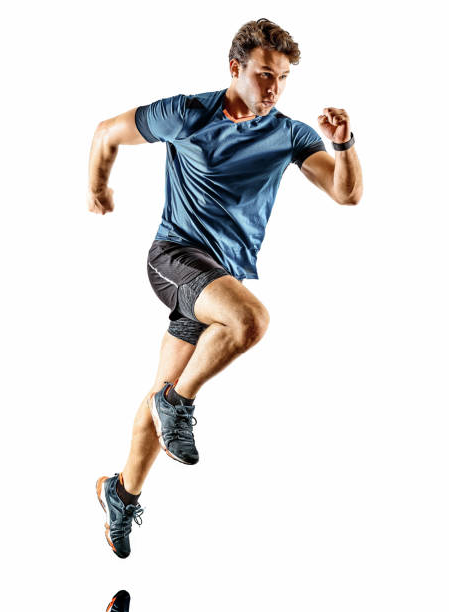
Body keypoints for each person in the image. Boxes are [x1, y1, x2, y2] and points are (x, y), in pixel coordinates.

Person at [89, 18, 363, 559]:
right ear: (235, 68)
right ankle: (179, 401)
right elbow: (104, 133)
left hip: (218, 278)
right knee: (250, 321)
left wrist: (344, 144)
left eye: (283, 78)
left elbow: (344, 193)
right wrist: (98, 188)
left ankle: (121, 492)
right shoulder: (188, 113)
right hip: (174, 258)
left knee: (159, 392)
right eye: (264, 74)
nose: (273, 88)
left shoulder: (289, 133)